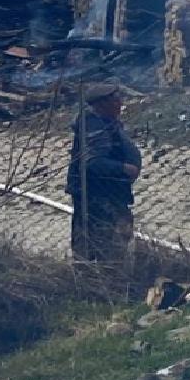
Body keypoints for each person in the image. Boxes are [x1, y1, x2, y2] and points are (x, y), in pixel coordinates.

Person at [66, 82, 142, 263]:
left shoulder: (106, 123)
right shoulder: (94, 128)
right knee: (104, 243)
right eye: (115, 99)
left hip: (111, 193)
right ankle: (101, 276)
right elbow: (92, 162)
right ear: (103, 104)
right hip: (99, 197)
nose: (120, 102)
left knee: (110, 241)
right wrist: (124, 169)